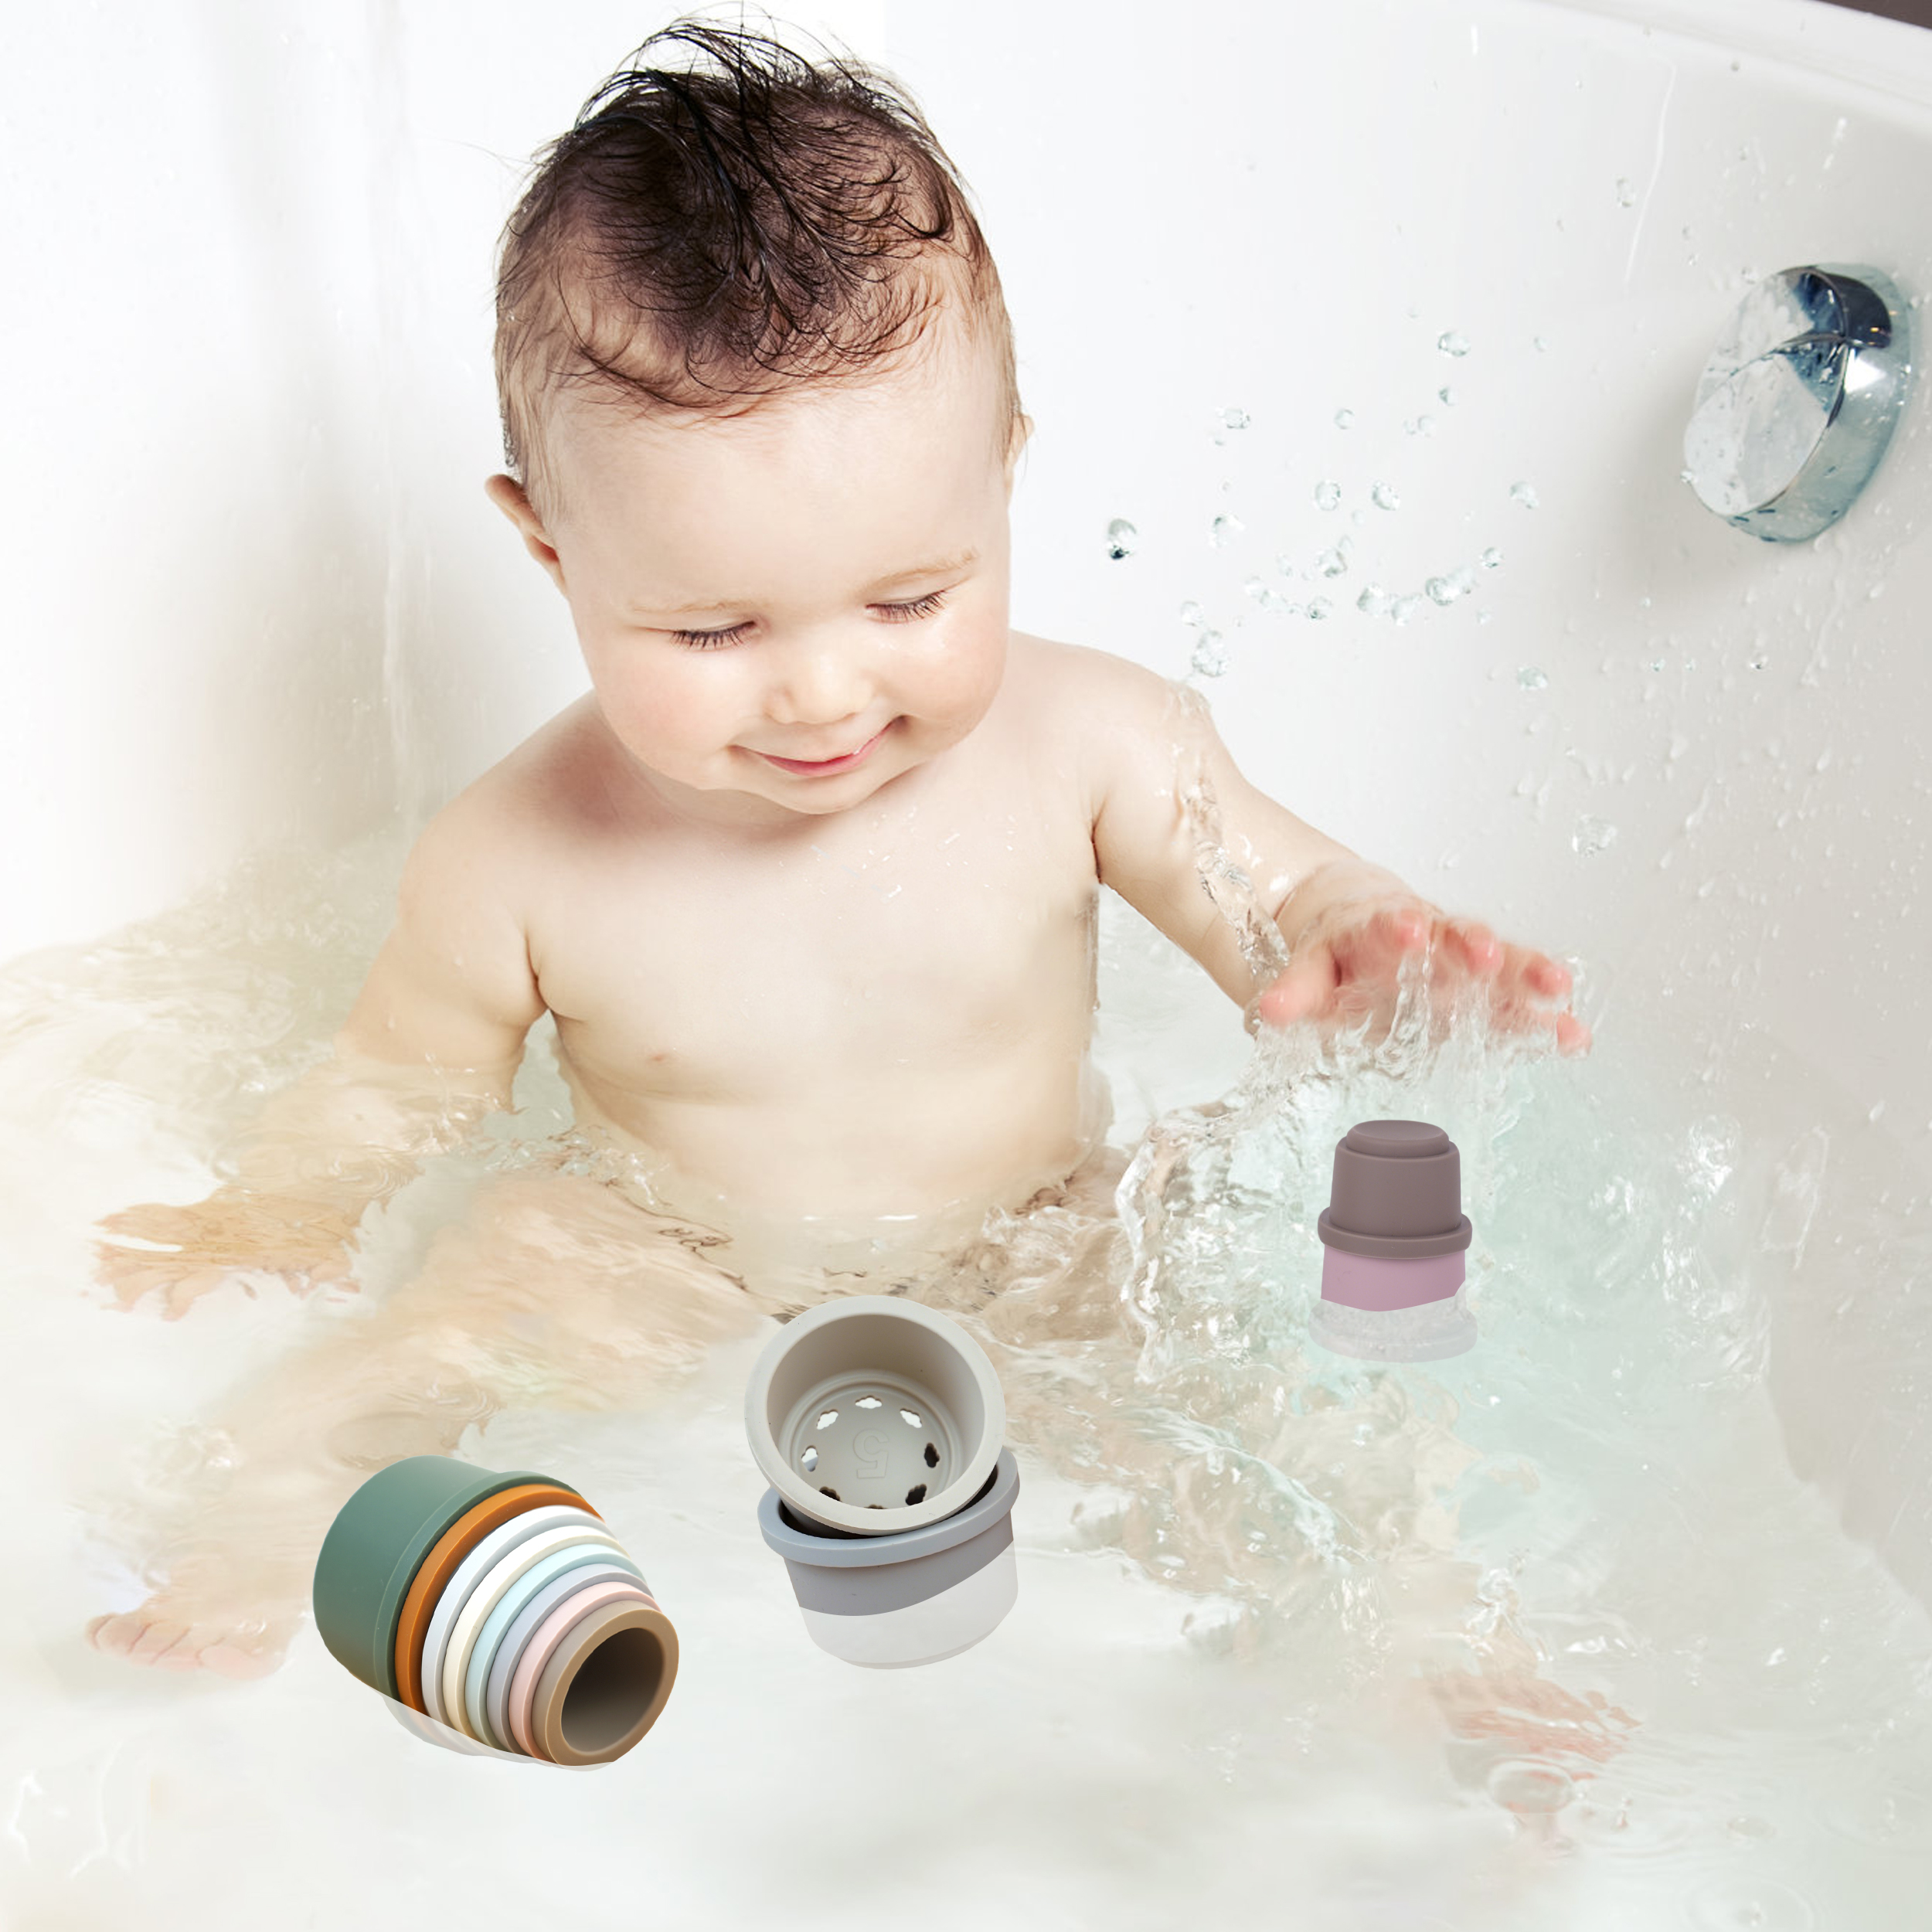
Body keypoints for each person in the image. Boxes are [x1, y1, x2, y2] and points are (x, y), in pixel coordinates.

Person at [87, 19, 1588, 1679]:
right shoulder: (512, 855)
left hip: (1039, 1228)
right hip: (655, 1249)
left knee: (1279, 1400)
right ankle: (245, 1555)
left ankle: (1437, 1632)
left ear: (1004, 472)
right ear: (549, 543)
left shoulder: (1089, 738)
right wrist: (281, 1208)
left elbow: (1278, 894)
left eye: (909, 599)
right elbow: (400, 1079)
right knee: (408, 1351)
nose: (821, 690)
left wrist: (1363, 947)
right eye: (713, 627)